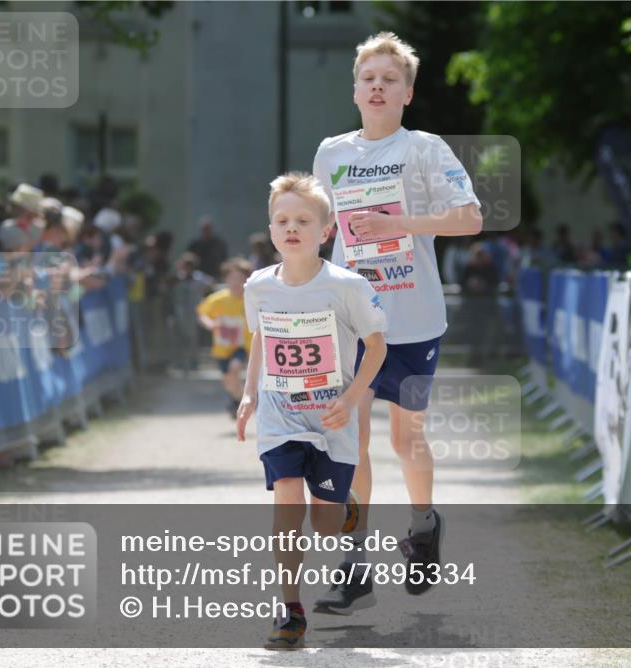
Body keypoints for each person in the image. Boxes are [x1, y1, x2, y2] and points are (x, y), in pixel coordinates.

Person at [311, 31, 483, 613]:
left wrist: (401, 225)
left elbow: (469, 219)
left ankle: (424, 525)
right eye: (369, 78)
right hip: (352, 322)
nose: (378, 86)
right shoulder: (331, 152)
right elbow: (320, 232)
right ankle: (354, 564)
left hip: (413, 319)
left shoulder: (426, 149)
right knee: (348, 443)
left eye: (390, 79)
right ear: (355, 89)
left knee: (405, 438)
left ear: (407, 93)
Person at [236, 172, 387, 650]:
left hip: (331, 419)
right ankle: (290, 610)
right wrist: (249, 392)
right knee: (286, 502)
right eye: (281, 220)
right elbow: (260, 336)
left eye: (303, 219)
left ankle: (345, 512)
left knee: (322, 525)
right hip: (281, 417)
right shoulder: (258, 286)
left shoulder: (346, 286)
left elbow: (376, 346)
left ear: (326, 231)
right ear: (271, 228)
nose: (291, 227)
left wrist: (350, 398)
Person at [196, 257, 253, 417]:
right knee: (228, 380)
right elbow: (202, 313)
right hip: (222, 348)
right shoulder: (218, 299)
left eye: (240, 279)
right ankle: (238, 401)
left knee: (234, 368)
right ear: (225, 279)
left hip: (242, 345)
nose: (236, 283)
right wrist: (209, 324)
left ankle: (244, 402)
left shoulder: (251, 299)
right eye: (232, 278)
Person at [187, 216, 228, 280]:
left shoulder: (218, 244)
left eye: (208, 228)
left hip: (214, 275)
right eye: (204, 228)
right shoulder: (195, 244)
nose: (206, 231)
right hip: (198, 276)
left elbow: (223, 259)